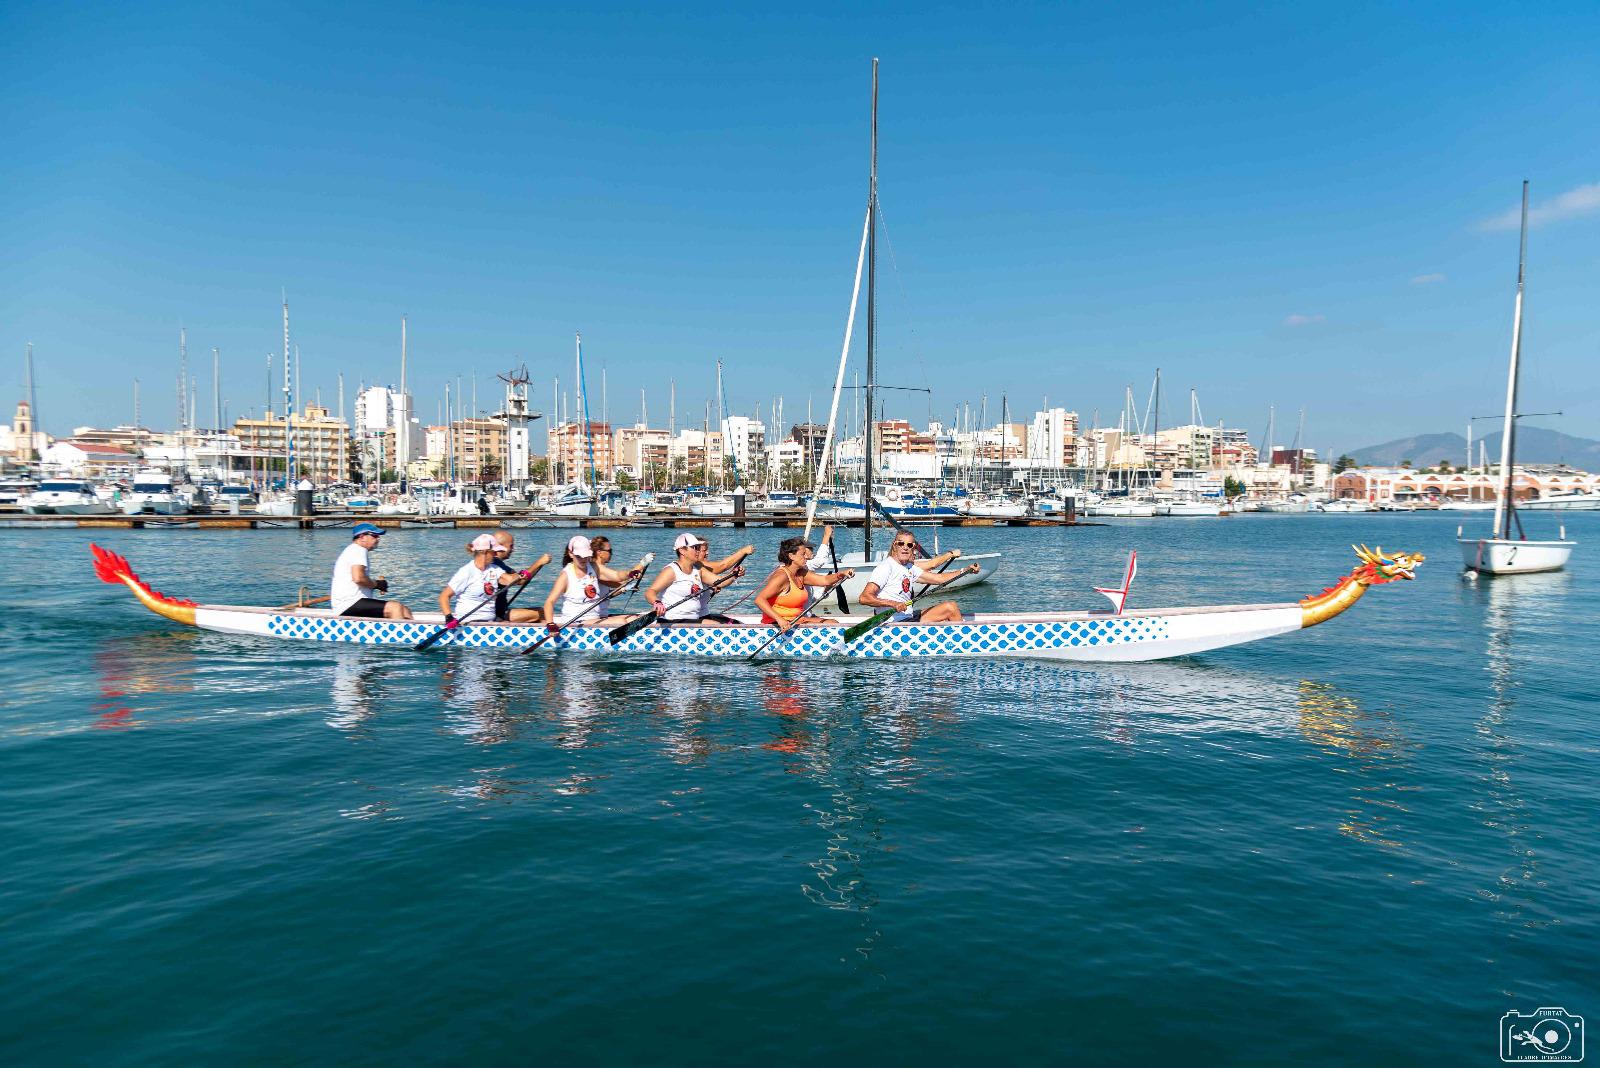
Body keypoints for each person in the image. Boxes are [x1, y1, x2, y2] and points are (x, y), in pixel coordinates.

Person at [858, 532, 980, 624]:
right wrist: (893, 603)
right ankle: (963, 641)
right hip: (893, 623)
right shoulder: (886, 567)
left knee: (949, 610)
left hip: (908, 617)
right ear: (894, 546)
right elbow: (864, 598)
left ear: (913, 548)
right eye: (901, 543)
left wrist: (965, 570)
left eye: (909, 545)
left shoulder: (909, 567)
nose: (905, 547)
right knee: (950, 608)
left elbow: (939, 579)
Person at [754, 527, 854, 631]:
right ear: (791, 556)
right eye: (803, 554)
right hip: (779, 623)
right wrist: (780, 620)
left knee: (833, 623)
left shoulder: (800, 573)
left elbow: (824, 580)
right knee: (831, 626)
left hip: (797, 619)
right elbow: (759, 600)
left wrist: (842, 574)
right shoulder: (781, 576)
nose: (806, 557)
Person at [644, 532, 754, 625]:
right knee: (716, 626)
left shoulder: (698, 569)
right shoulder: (671, 570)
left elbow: (720, 582)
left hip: (693, 619)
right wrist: (657, 602)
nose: (698, 551)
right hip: (671, 621)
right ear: (682, 550)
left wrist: (734, 575)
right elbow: (650, 591)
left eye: (698, 548)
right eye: (694, 548)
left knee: (735, 624)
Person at [541, 535, 650, 628]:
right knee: (621, 622)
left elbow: (617, 576)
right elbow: (549, 602)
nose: (583, 559)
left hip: (595, 619)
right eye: (579, 556)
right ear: (571, 554)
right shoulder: (566, 575)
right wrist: (550, 624)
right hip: (574, 623)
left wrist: (630, 573)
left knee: (635, 619)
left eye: (586, 556)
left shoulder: (594, 567)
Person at [438, 533, 541, 628]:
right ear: (485, 552)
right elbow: (444, 596)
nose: (496, 555)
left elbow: (511, 580)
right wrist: (449, 617)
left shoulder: (494, 569)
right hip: (469, 623)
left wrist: (523, 574)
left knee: (538, 615)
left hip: (490, 622)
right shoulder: (466, 572)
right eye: (494, 552)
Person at [330, 522, 414, 619]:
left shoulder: (354, 550)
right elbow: (358, 578)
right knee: (395, 607)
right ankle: (398, 629)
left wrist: (376, 584)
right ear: (362, 537)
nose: (378, 539)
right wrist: (377, 584)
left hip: (353, 602)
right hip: (348, 604)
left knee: (404, 610)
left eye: (378, 536)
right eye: (375, 536)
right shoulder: (358, 550)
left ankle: (408, 628)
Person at [485, 530, 552, 623]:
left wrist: (539, 565)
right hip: (498, 614)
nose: (513, 550)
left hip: (500, 611)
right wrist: (538, 562)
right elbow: (520, 580)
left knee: (541, 610)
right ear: (500, 546)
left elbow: (523, 579)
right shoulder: (495, 564)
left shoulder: (499, 563)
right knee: (543, 613)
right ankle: (551, 631)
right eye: (511, 546)